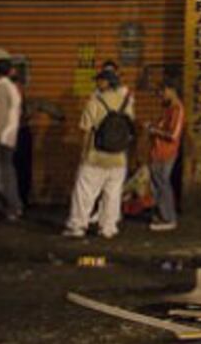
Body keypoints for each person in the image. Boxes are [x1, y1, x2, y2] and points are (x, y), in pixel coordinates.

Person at [63, 69, 135, 239]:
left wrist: (83, 153)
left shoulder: (95, 101)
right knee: (113, 194)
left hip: (96, 156)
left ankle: (77, 226)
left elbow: (86, 128)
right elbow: (129, 126)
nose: (97, 84)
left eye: (99, 81)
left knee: (85, 193)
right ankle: (108, 228)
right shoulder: (127, 102)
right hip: (119, 158)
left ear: (107, 82)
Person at [0, 57, 24, 222]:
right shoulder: (12, 88)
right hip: (9, 137)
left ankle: (7, 207)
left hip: (0, 137)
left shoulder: (0, 89)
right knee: (5, 172)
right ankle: (9, 207)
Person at [147, 81, 185, 231]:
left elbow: (173, 135)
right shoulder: (167, 108)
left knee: (163, 184)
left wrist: (153, 130)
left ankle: (168, 218)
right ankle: (161, 215)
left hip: (166, 153)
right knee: (157, 185)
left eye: (162, 91)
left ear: (172, 90)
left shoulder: (177, 109)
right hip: (157, 152)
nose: (160, 95)